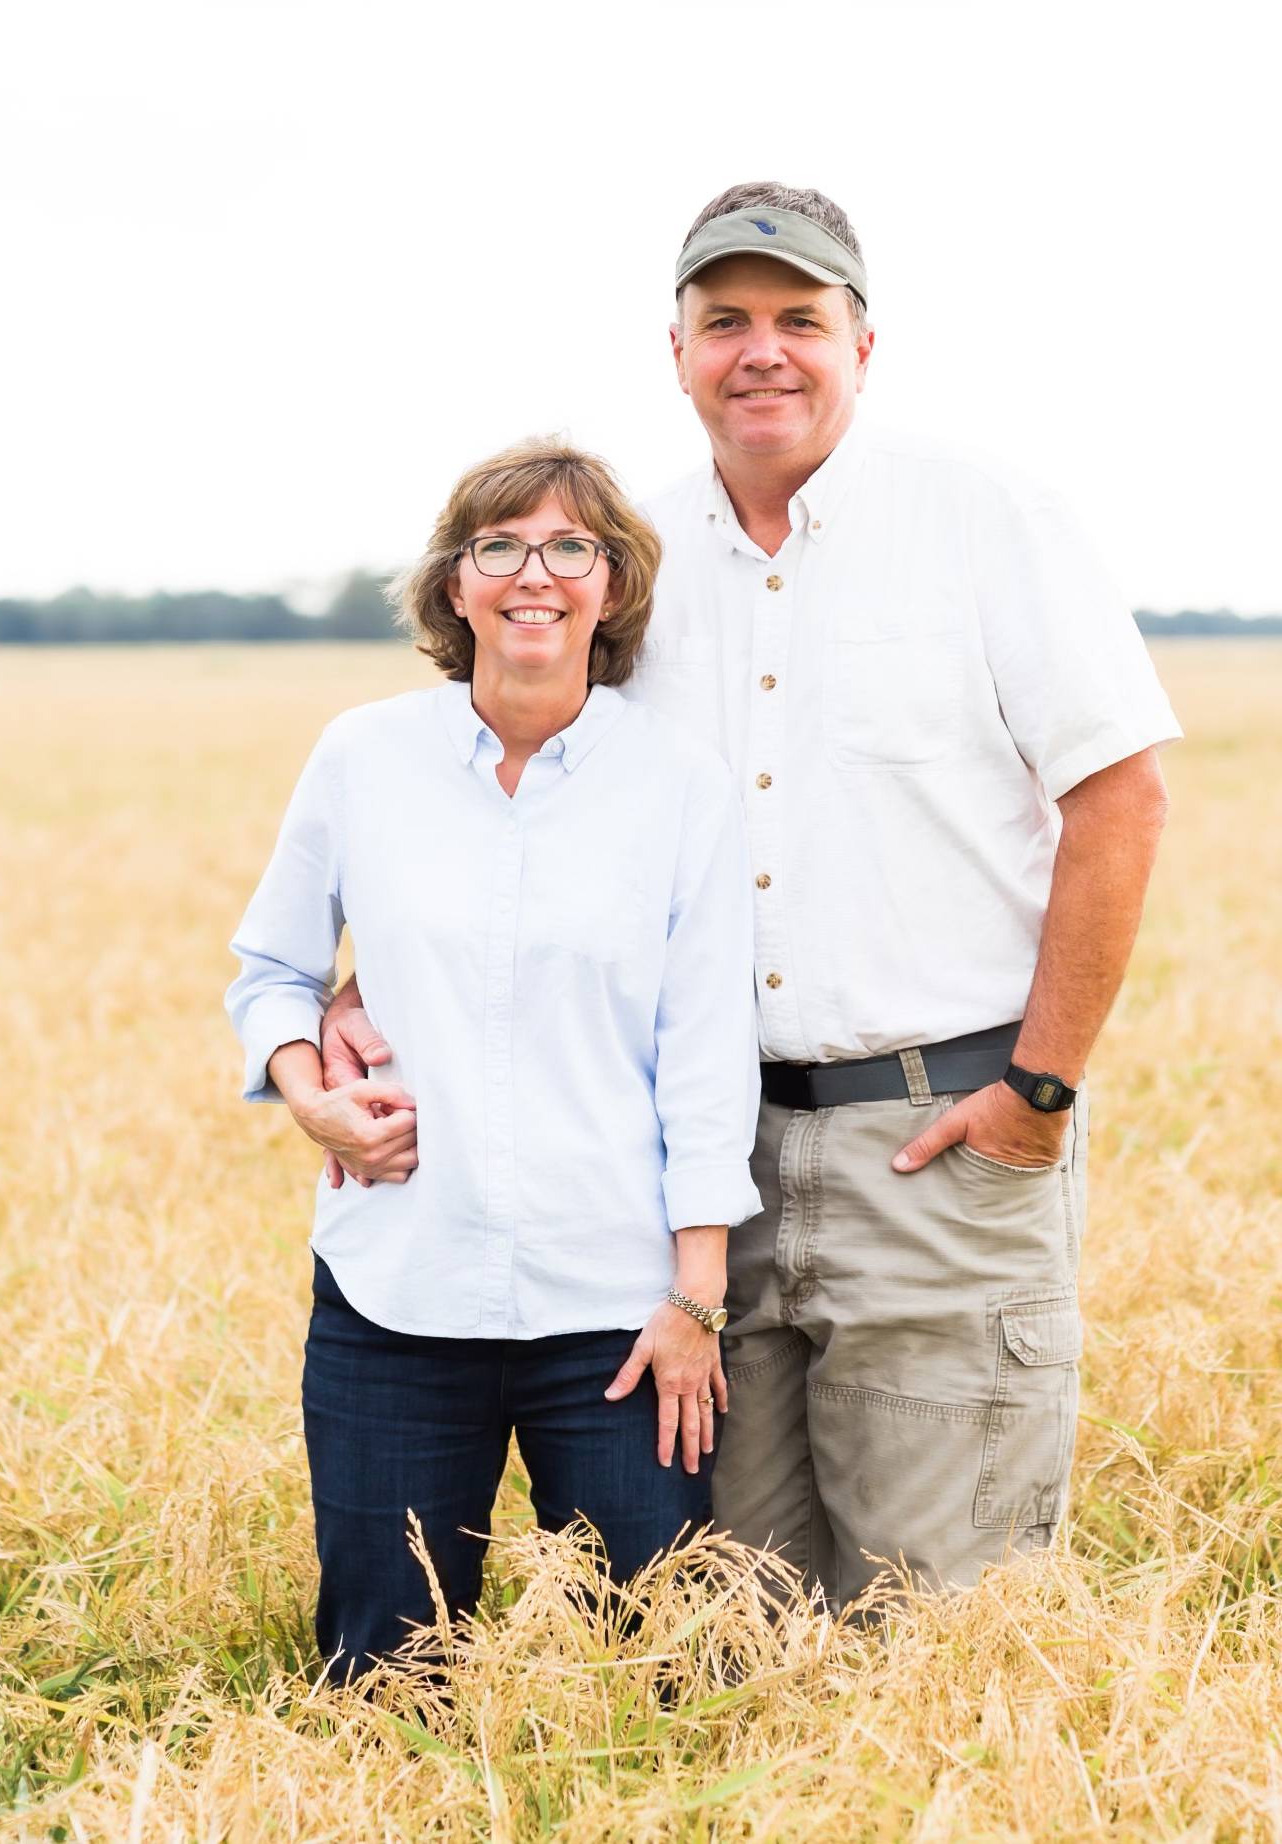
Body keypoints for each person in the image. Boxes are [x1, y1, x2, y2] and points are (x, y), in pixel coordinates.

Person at [317, 183, 1181, 1608]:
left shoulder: (988, 520)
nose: (761, 351)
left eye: (800, 319)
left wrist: (1037, 1094)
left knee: (938, 1613)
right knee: (734, 1622)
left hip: (940, 1143)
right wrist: (372, 981)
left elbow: (1121, 799)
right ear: (677, 351)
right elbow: (516, 787)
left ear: (865, 342)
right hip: (691, 1180)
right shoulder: (627, 564)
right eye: (726, 321)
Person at [227, 438, 761, 1682]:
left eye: (571, 546)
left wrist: (694, 1301)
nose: (537, 572)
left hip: (615, 1316)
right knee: (385, 1668)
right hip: (395, 1296)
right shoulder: (362, 758)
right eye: (501, 545)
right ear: (455, 584)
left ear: (614, 585)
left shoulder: (680, 786)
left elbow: (704, 1054)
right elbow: (272, 969)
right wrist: (314, 1101)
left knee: (668, 1664)